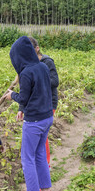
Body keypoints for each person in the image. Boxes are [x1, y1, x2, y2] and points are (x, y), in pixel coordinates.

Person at [5, 36, 54, 191]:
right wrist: (22, 110)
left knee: (27, 158)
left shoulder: (26, 72)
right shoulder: (42, 66)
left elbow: (24, 97)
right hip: (47, 117)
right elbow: (39, 93)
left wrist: (12, 96)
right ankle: (46, 189)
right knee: (40, 153)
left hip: (33, 122)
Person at [15, 37, 59, 168]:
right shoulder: (26, 66)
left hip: (47, 103)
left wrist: (38, 81)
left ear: (37, 49)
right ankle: (40, 165)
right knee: (38, 139)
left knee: (42, 139)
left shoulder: (47, 62)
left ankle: (45, 164)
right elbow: (25, 91)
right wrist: (21, 107)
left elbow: (55, 82)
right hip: (33, 104)